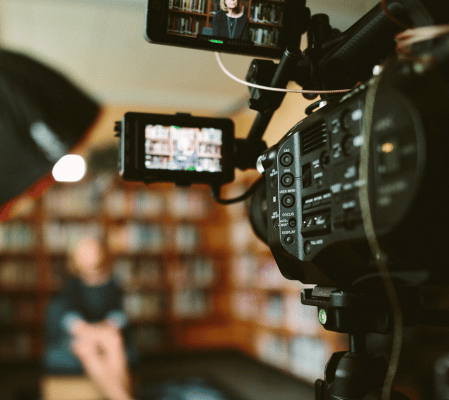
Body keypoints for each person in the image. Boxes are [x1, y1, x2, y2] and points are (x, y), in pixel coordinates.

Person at [44, 236, 135, 400]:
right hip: (81, 333)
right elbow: (68, 316)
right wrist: (87, 330)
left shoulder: (112, 282)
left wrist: (105, 327)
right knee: (85, 347)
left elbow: (119, 314)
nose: (88, 255)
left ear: (99, 254)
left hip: (106, 331)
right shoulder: (72, 284)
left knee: (113, 341)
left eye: (91, 251)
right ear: (75, 258)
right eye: (83, 252)